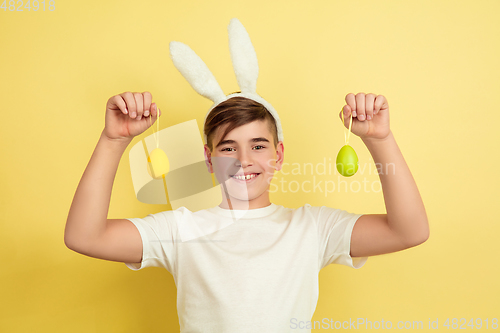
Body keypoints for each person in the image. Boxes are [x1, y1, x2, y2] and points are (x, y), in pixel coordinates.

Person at [64, 90, 429, 332]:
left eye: (258, 145)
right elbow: (85, 236)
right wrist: (114, 140)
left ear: (279, 155)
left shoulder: (312, 227)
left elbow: (409, 231)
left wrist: (379, 139)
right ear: (208, 159)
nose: (243, 160)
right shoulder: (181, 229)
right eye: (227, 149)